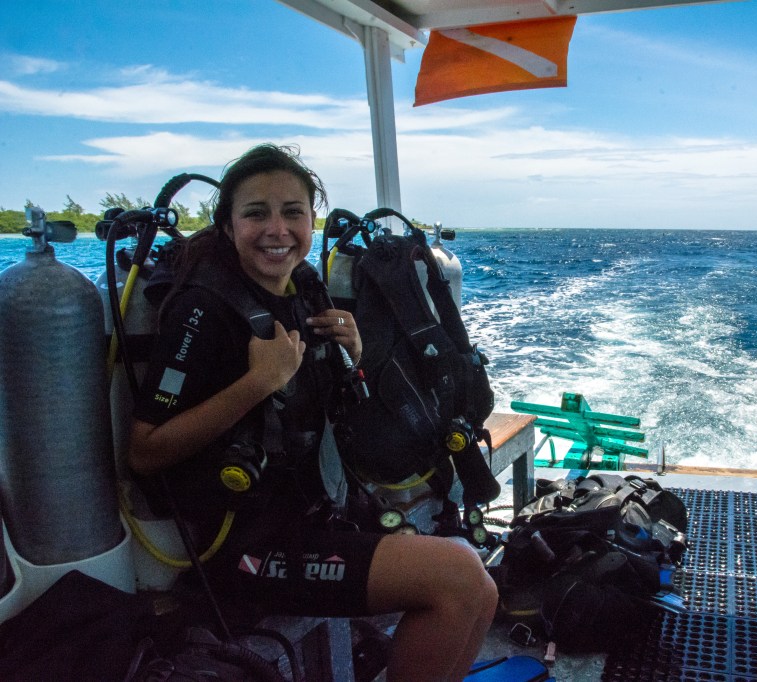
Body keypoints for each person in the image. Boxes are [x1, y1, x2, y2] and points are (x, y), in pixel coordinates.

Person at [128, 143, 497, 681]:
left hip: (315, 512)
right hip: (241, 544)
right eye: (256, 213)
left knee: (479, 586)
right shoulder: (202, 311)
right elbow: (144, 451)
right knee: (458, 580)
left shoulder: (302, 291)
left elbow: (332, 416)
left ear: (311, 219)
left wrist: (354, 353)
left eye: (292, 212)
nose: (277, 229)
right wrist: (259, 381)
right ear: (228, 227)